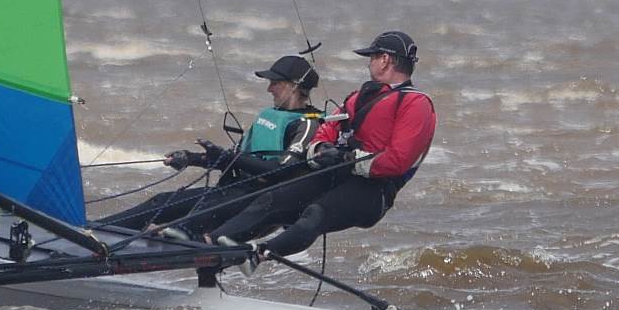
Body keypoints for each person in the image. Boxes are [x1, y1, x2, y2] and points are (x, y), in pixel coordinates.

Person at [208, 30, 436, 265]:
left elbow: (398, 160)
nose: (369, 63)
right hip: (336, 173)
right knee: (271, 199)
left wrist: (348, 159)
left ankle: (258, 254)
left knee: (314, 214)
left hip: (373, 191)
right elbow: (326, 129)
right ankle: (210, 243)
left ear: (385, 60)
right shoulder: (358, 96)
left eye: (372, 57)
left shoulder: (416, 104)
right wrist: (321, 149)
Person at [102, 54, 323, 236]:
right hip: (233, 191)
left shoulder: (308, 123)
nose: (269, 89)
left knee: (194, 218)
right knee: (160, 202)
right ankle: (96, 231)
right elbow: (230, 159)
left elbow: (282, 171)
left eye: (275, 83)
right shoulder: (270, 116)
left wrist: (229, 158)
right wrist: (191, 158)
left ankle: (175, 239)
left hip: (259, 203)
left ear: (294, 86)